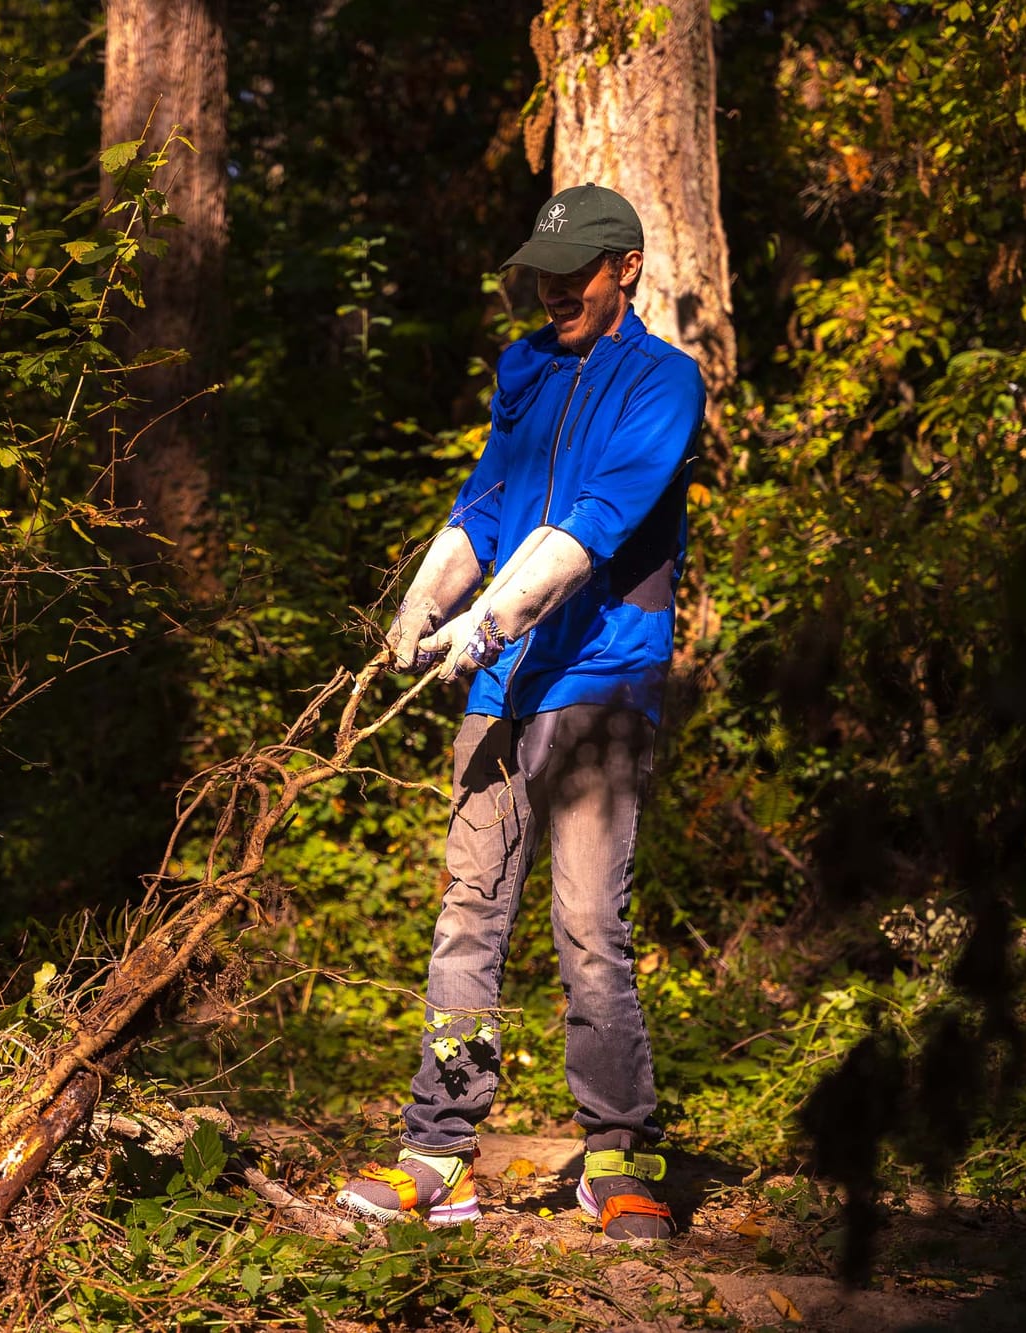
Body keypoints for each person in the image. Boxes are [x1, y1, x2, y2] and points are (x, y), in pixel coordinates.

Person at [335, 184, 704, 1245]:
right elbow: (487, 505)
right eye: (542, 273)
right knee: (465, 918)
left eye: (575, 271)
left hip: (598, 684)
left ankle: (619, 1157)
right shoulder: (524, 369)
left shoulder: (664, 383)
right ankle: (437, 1156)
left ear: (624, 267)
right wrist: (423, 600)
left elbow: (593, 526)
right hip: (497, 691)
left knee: (588, 928)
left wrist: (486, 620)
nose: (553, 292)